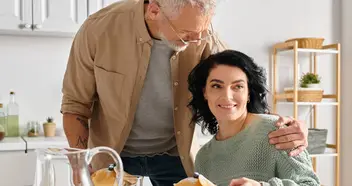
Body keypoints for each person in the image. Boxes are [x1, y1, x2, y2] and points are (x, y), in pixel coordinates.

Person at [60, 0, 309, 185]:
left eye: (203, 32)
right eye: (188, 34)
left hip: (175, 154)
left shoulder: (202, 34)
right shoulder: (98, 29)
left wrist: (279, 126)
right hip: (112, 154)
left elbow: (237, 84)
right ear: (154, 9)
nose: (198, 39)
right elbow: (75, 106)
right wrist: (80, 165)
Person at [188, 49, 320, 186]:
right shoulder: (203, 158)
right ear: (205, 92)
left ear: (249, 93)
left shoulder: (277, 132)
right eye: (217, 86)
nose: (227, 96)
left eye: (238, 86)